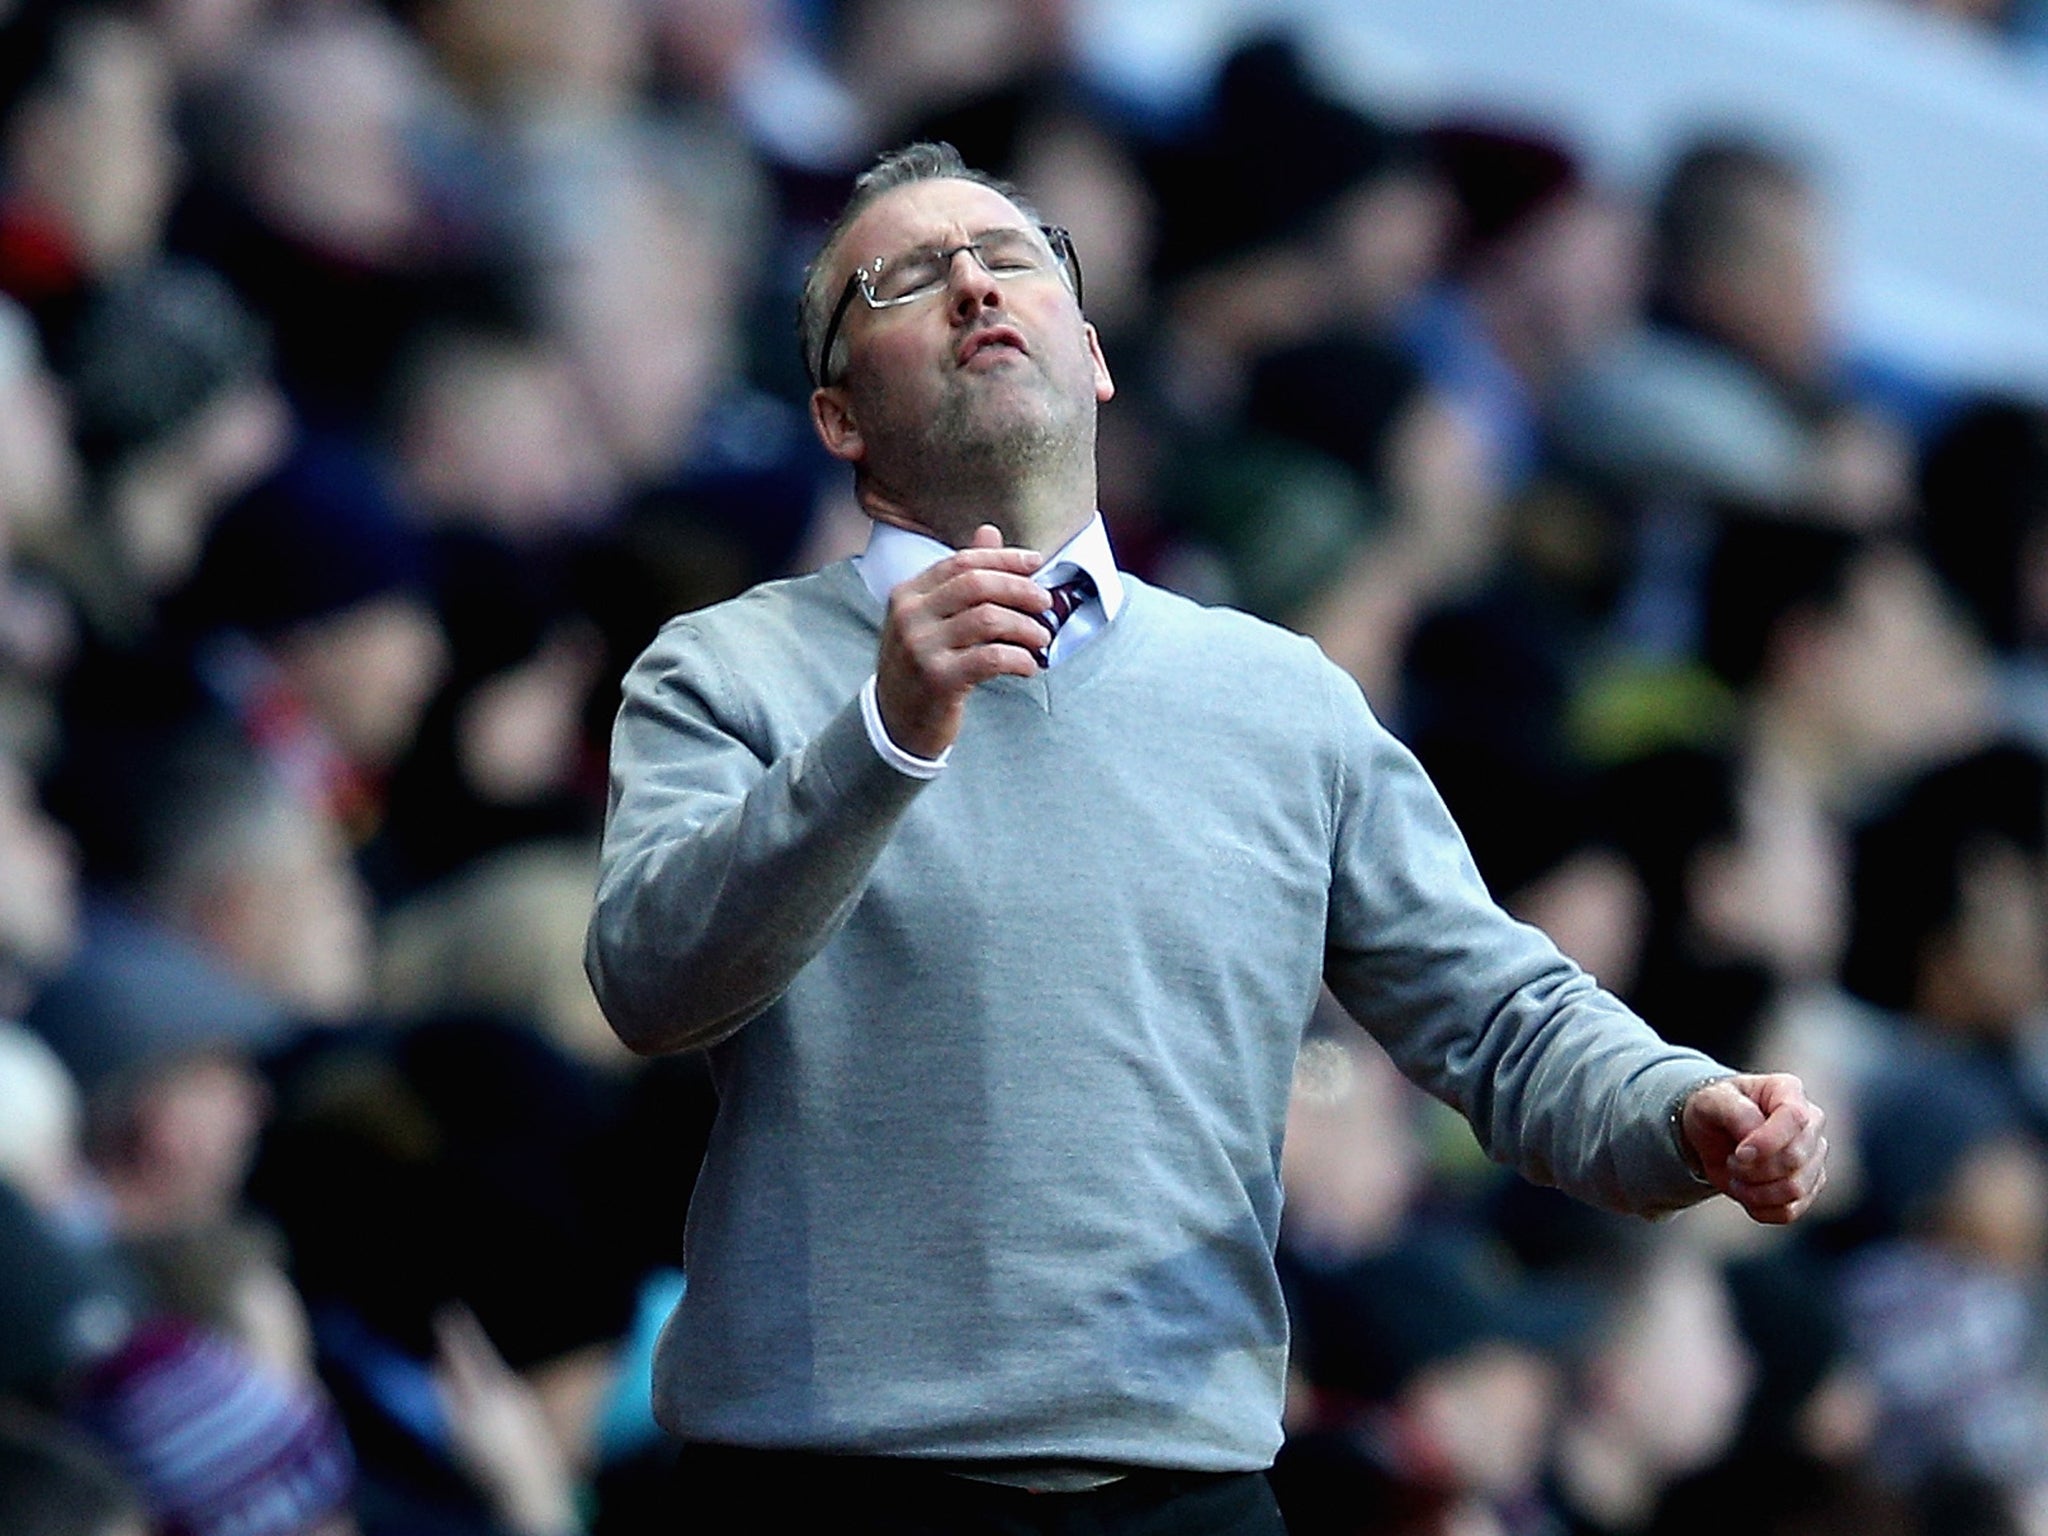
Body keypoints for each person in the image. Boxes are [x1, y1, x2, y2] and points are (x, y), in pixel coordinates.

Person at [583, 141, 1828, 1535]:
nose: (974, 288)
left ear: (1098, 359)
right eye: (905, 279)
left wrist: (1676, 1112)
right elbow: (651, 978)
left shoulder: (1281, 699)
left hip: (1188, 1496)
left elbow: (1498, 1014)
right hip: (822, 1490)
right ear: (837, 416)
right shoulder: (725, 669)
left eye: (1012, 259)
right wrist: (881, 738)